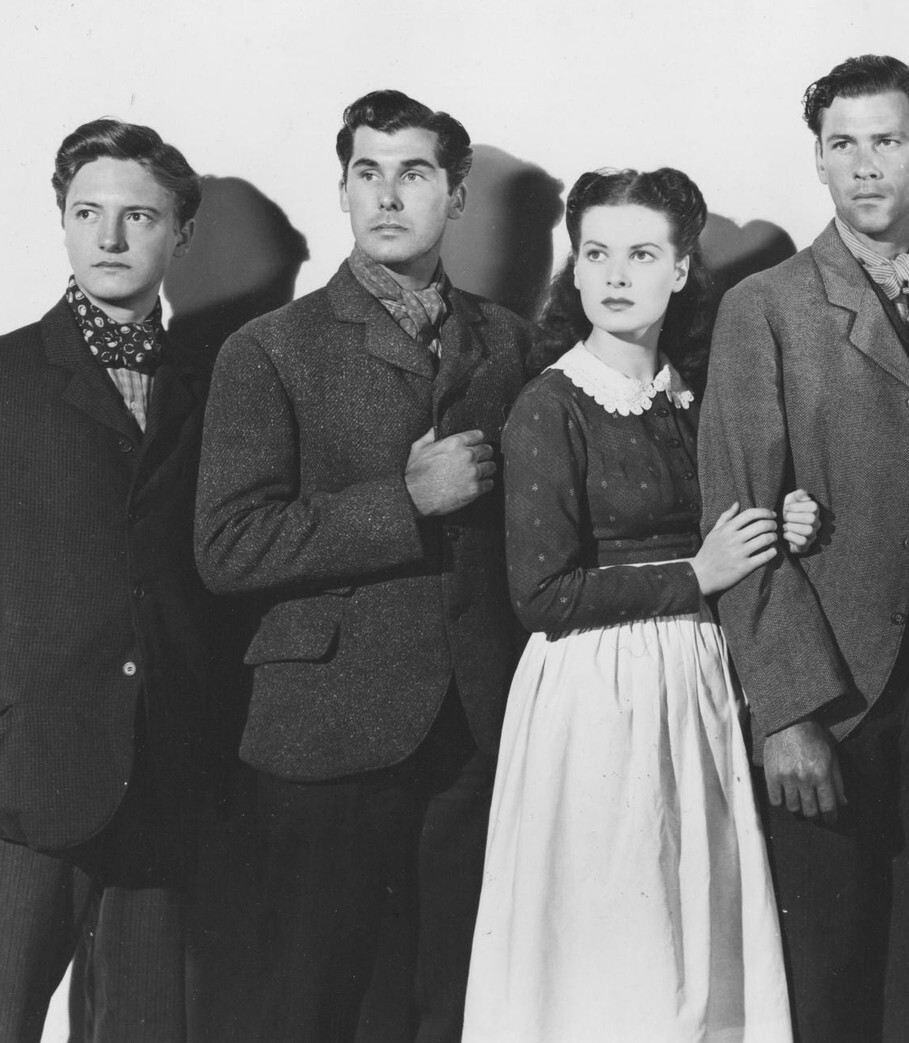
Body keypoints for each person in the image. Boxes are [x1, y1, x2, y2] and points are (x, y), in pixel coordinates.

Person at [194, 90, 534, 1042]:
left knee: (450, 1007)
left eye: (413, 173)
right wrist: (405, 500)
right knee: (312, 1006)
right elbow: (227, 545)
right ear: (342, 189)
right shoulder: (269, 347)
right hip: (325, 732)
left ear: (455, 196)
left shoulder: (511, 342)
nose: (387, 195)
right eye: (367, 173)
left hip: (475, 726)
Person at [462, 167, 814, 1043]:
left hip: (691, 681)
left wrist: (780, 517)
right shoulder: (549, 404)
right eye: (597, 254)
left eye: (642, 254)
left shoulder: (693, 396)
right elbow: (541, 594)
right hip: (596, 692)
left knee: (689, 928)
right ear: (574, 268)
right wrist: (697, 574)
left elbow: (724, 518)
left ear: (681, 269)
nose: (616, 275)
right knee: (611, 931)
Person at [698, 55, 909, 1043]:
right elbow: (738, 520)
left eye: (888, 140)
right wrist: (786, 712)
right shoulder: (765, 306)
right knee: (827, 983)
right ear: (817, 160)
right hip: (830, 685)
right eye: (842, 144)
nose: (865, 165)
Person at [0, 118, 213, 1043]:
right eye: (88, 213)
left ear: (181, 233)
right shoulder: (6, 375)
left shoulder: (215, 381)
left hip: (163, 769)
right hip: (27, 770)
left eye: (140, 216)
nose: (111, 237)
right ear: (63, 221)